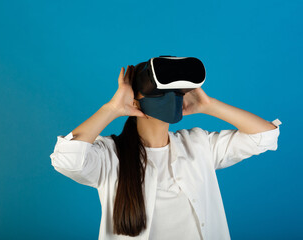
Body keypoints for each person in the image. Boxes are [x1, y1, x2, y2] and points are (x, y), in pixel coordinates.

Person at [50, 64, 282, 240]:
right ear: (136, 99)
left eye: (177, 92)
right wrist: (112, 109)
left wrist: (208, 105)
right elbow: (67, 159)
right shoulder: (110, 156)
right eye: (161, 94)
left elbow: (265, 136)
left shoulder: (199, 144)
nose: (172, 100)